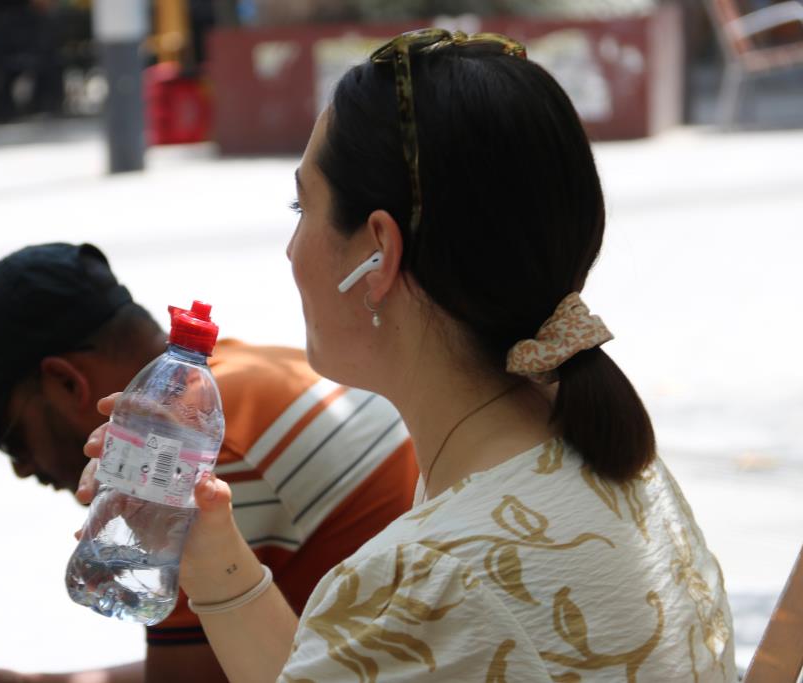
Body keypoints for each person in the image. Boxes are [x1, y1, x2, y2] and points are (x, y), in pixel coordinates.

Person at [81, 29, 736, 681]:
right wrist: (210, 552)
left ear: (377, 253)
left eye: (300, 205)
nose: (289, 249)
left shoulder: (427, 578)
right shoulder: (602, 457)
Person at [0, 242, 418, 683]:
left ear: (65, 383)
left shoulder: (190, 462)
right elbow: (213, 664)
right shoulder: (228, 385)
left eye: (10, 439)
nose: (20, 469)